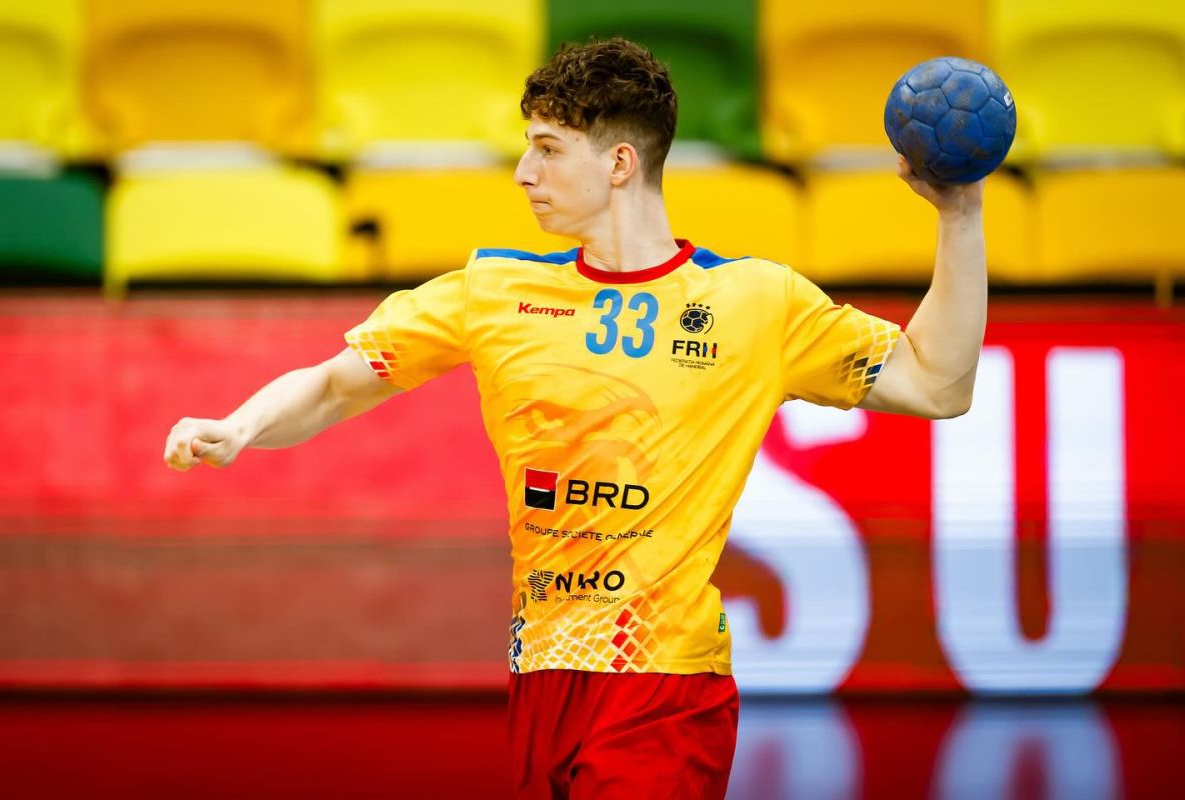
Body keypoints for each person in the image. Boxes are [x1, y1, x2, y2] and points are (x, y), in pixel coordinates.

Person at [164, 37, 986, 800]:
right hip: (542, 678)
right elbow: (336, 386)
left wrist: (959, 216)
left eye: (548, 149)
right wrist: (241, 426)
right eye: (528, 148)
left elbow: (935, 383)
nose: (524, 172)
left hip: (667, 685)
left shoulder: (755, 304)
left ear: (620, 163)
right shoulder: (492, 292)